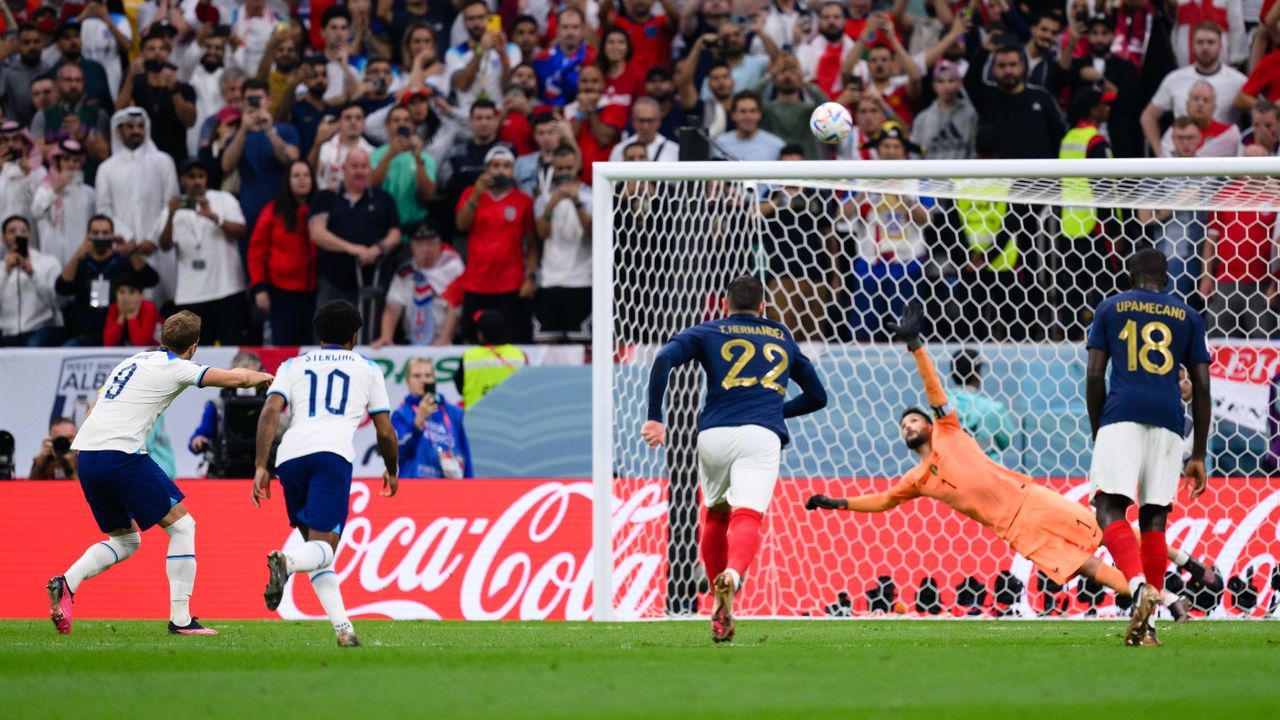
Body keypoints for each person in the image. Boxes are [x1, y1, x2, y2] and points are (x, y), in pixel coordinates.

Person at [804, 300, 1196, 628]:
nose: (908, 426)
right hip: (1016, 531)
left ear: (927, 421)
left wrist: (916, 346)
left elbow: (933, 387)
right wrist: (838, 503)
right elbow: (883, 500)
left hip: (1031, 499)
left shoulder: (949, 429)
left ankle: (1182, 560)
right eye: (903, 425)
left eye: (913, 419)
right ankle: (1168, 598)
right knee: (1089, 567)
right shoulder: (917, 478)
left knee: (1106, 533)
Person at [47, 311, 274, 636]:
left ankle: (67, 582)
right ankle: (180, 620)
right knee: (183, 526)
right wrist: (268, 379)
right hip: (121, 454)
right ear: (194, 346)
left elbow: (93, 406)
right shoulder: (178, 367)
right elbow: (237, 378)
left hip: (88, 456)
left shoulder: (133, 360)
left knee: (125, 540)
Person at [642, 275, 827, 642]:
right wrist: (773, 410)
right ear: (763, 307)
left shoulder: (708, 331)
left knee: (716, 512)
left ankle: (716, 603)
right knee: (748, 515)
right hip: (760, 437)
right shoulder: (781, 336)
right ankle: (734, 576)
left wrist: (654, 416)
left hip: (713, 435)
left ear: (726, 304)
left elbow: (663, 358)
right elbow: (818, 396)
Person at [253, 300, 399, 648]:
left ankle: (344, 630)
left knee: (317, 550)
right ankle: (285, 562)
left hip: (289, 458)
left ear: (318, 333)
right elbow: (384, 431)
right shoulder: (367, 368)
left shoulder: (292, 364)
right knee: (323, 549)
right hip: (331, 457)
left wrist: (261, 465)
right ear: (354, 335)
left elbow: (271, 410)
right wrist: (391, 469)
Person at [1086, 248, 1212, 645]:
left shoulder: (1110, 308)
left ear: (1129, 274)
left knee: (1109, 507)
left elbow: (1094, 375)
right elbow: (1203, 386)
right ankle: (1150, 628)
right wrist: (1199, 453)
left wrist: (1098, 428)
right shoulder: (1188, 316)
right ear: (1168, 277)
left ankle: (1139, 588)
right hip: (1170, 421)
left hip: (1121, 413)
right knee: (1154, 519)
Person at [95, 107, 180, 307]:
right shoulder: (107, 168)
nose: (136, 131)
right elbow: (103, 211)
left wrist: (152, 239)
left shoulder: (163, 162)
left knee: (165, 307)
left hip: (159, 247)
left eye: (141, 126)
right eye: (130, 126)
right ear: (118, 131)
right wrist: (128, 239)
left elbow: (171, 205)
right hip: (123, 248)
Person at [158, 159, 248, 345]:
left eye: (201, 176)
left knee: (232, 347)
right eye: (191, 177)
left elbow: (241, 231)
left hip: (226, 288)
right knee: (195, 353)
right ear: (182, 180)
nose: (197, 181)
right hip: (191, 293)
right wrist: (171, 215)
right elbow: (164, 245)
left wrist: (215, 217)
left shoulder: (223, 199)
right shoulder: (175, 206)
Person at [456, 146, 536, 343]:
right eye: (496, 165)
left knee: (511, 338)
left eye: (507, 166)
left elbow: (532, 243)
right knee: (472, 339)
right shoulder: (470, 193)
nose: (501, 170)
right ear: (486, 169)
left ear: (513, 171)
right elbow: (461, 224)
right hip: (476, 282)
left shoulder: (523, 200)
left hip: (510, 284)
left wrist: (531, 277)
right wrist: (476, 193)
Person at [1199, 151, 1279, 339]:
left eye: (1259, 160)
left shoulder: (1276, 197)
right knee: (1218, 337)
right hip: (1226, 281)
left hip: (1262, 282)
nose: (1254, 165)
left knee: (1263, 338)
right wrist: (1206, 276)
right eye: (1250, 159)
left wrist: (1277, 283)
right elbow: (1211, 241)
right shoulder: (1225, 195)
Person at [308, 149, 402, 307]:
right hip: (334, 282)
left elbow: (395, 233)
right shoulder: (326, 197)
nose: (360, 171)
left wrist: (377, 249)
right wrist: (352, 248)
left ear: (370, 170)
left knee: (370, 330)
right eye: (354, 166)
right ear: (344, 169)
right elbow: (317, 233)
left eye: (364, 166)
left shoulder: (384, 199)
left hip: (374, 281)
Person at [219, 79, 302, 254]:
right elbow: (226, 165)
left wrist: (270, 131)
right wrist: (243, 129)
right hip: (249, 210)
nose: (255, 103)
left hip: (281, 209)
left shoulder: (286, 130)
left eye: (259, 98)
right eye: (250, 99)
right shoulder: (237, 136)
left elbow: (292, 161)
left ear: (269, 101)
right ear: (242, 103)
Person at [1140, 22, 1246, 152]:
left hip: (1223, 155)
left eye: (1211, 42)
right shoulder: (1174, 79)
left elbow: (1259, 111)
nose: (1205, 47)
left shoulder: (1238, 81)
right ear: (1192, 45)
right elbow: (1148, 116)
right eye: (1200, 42)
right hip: (1181, 156)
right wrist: (1160, 151)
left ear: (1221, 46)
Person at [249, 160, 318, 346]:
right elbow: (256, 252)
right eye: (296, 176)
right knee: (285, 346)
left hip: (315, 292)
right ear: (287, 180)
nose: (302, 180)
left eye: (306, 175)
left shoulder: (320, 209)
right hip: (281, 293)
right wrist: (259, 288)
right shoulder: (272, 210)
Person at [965, 40, 1065, 160]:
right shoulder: (987, 97)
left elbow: (1058, 136)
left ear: (1022, 66)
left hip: (1038, 175)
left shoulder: (1042, 97)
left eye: (1013, 65)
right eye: (1001, 66)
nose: (1008, 71)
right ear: (992, 69)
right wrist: (983, 51)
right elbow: (970, 81)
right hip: (999, 175)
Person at [533, 146, 592, 343]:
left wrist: (577, 202)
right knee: (547, 345)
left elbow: (592, 232)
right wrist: (551, 205)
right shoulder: (543, 198)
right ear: (553, 169)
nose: (565, 173)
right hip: (549, 280)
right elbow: (541, 233)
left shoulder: (590, 196)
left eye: (569, 168)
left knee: (581, 347)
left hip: (582, 280)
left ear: (577, 167)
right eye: (560, 169)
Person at [374, 224, 463, 347]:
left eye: (431, 244)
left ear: (439, 244)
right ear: (412, 246)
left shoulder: (453, 267)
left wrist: (444, 339)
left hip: (446, 341)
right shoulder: (405, 272)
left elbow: (455, 307)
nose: (426, 249)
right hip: (412, 341)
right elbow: (392, 307)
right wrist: (386, 336)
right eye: (420, 244)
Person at [118, 27, 197, 164]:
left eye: (162, 49)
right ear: (142, 53)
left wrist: (174, 90)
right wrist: (130, 76)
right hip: (140, 156)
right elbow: (119, 113)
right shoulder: (134, 84)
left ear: (168, 53)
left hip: (174, 155)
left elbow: (189, 121)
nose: (157, 53)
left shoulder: (183, 88)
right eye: (151, 49)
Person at [392, 357, 472, 478]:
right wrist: (418, 422)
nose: (423, 380)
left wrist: (470, 485)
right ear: (407, 380)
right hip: (414, 484)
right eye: (417, 376)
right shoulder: (401, 414)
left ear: (434, 379)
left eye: (428, 375)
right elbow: (397, 453)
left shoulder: (454, 413)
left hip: (449, 485)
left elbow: (466, 453)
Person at [445, 0, 521, 116]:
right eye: (471, 19)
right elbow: (462, 85)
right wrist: (481, 50)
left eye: (480, 18)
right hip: (467, 117)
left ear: (490, 18)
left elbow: (510, 89)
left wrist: (503, 56)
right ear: (464, 22)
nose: (476, 23)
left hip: (501, 114)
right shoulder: (454, 53)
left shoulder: (511, 49)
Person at [370, 104, 439, 230]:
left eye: (407, 120)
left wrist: (418, 159)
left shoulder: (425, 157)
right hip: (382, 226)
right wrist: (389, 155)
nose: (402, 124)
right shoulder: (374, 155)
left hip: (414, 227)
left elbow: (428, 195)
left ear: (413, 126)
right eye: (396, 120)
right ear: (387, 126)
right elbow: (371, 186)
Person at [30, 139, 97, 268]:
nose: (71, 164)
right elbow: (36, 211)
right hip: (52, 256)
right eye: (66, 159)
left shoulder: (89, 193)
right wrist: (55, 189)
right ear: (58, 162)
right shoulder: (45, 188)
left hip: (80, 255)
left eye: (76, 160)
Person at [1, 215, 61, 347]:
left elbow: (56, 301)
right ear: (3, 238)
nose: (18, 235)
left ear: (29, 235)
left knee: (34, 345)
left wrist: (32, 274)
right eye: (12, 231)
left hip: (39, 328)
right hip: (6, 332)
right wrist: (5, 273)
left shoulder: (48, 262)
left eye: (22, 231)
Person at [948, 349, 1016, 462]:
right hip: (988, 474)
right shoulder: (993, 408)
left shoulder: (940, 408)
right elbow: (1006, 441)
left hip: (952, 474)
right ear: (977, 373)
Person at [910, 60, 977, 160]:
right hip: (930, 174)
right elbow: (914, 153)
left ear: (959, 83)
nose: (946, 86)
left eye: (951, 80)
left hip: (962, 174)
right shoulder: (923, 118)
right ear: (933, 85)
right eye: (940, 81)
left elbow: (974, 150)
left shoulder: (970, 114)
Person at [531, 7, 597, 106]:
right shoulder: (541, 60)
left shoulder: (594, 59)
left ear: (583, 30)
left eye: (575, 27)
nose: (570, 32)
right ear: (557, 30)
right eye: (565, 27)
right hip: (546, 115)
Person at [1158, 81, 1241, 157]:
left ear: (1214, 107)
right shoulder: (1171, 133)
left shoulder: (1229, 135)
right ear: (1187, 104)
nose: (1200, 104)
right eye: (1195, 99)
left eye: (1206, 100)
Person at [311, 102, 376, 192]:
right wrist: (317, 144)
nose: (353, 122)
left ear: (364, 123)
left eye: (358, 118)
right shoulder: (325, 148)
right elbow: (312, 173)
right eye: (348, 118)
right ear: (339, 123)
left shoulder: (373, 152)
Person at [714, 91, 786, 161]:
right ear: (733, 115)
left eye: (753, 111)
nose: (748, 117)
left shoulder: (777, 145)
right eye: (743, 111)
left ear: (760, 114)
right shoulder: (719, 145)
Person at [0, 25, 46, 126]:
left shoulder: (49, 69)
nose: (32, 46)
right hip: (15, 133)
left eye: (36, 42)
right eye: (26, 42)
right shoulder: (8, 71)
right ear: (18, 45)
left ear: (42, 43)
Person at [608, 98, 679, 162]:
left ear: (659, 121)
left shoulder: (674, 150)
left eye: (650, 120)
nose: (645, 126)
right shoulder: (619, 149)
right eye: (641, 120)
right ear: (633, 121)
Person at [102, 275, 162, 347]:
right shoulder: (114, 308)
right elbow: (108, 343)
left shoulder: (149, 308)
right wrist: (121, 315)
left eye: (131, 292)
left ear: (141, 296)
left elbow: (140, 343)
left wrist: (131, 316)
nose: (126, 297)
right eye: (122, 292)